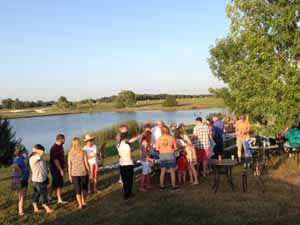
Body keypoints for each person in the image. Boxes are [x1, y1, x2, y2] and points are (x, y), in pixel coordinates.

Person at [29, 144, 53, 214]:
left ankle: (35, 208)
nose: (43, 152)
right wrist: (35, 150)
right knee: (43, 193)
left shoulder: (39, 158)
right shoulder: (33, 158)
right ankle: (47, 208)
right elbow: (42, 153)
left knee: (37, 194)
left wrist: (47, 174)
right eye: (41, 150)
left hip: (42, 178)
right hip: (38, 180)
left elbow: (43, 167)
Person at [68, 138, 90, 210]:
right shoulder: (82, 151)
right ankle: (83, 202)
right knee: (84, 189)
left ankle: (81, 204)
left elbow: (69, 165)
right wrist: (89, 170)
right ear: (79, 143)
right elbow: (86, 163)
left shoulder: (71, 153)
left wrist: (69, 175)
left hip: (76, 173)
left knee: (79, 190)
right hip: (81, 173)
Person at [156, 125, 178, 190]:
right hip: (170, 155)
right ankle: (173, 186)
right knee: (172, 171)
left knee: (162, 171)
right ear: (168, 130)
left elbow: (157, 149)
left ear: (161, 131)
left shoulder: (159, 138)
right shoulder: (171, 137)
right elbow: (175, 147)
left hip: (162, 155)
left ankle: (161, 186)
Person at [49, 134, 67, 204]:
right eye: (64, 139)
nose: (64, 140)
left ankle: (49, 196)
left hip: (60, 168)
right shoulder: (55, 148)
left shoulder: (60, 146)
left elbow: (61, 157)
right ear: (60, 139)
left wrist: (64, 166)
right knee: (59, 184)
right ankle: (59, 199)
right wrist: (60, 170)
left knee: (54, 183)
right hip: (55, 168)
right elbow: (55, 160)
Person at [12, 146, 30, 217]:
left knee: (23, 195)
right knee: (22, 195)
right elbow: (15, 166)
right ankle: (20, 211)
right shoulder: (17, 159)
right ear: (21, 151)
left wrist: (27, 155)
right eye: (24, 150)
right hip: (20, 179)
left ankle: (21, 209)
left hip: (24, 178)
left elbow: (26, 163)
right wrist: (20, 174)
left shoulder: (22, 158)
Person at [117, 133, 135, 199]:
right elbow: (129, 156)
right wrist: (133, 157)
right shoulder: (127, 146)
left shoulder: (118, 145)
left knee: (124, 180)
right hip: (128, 164)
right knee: (129, 180)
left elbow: (119, 155)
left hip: (122, 164)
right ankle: (129, 194)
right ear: (126, 138)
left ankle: (125, 194)